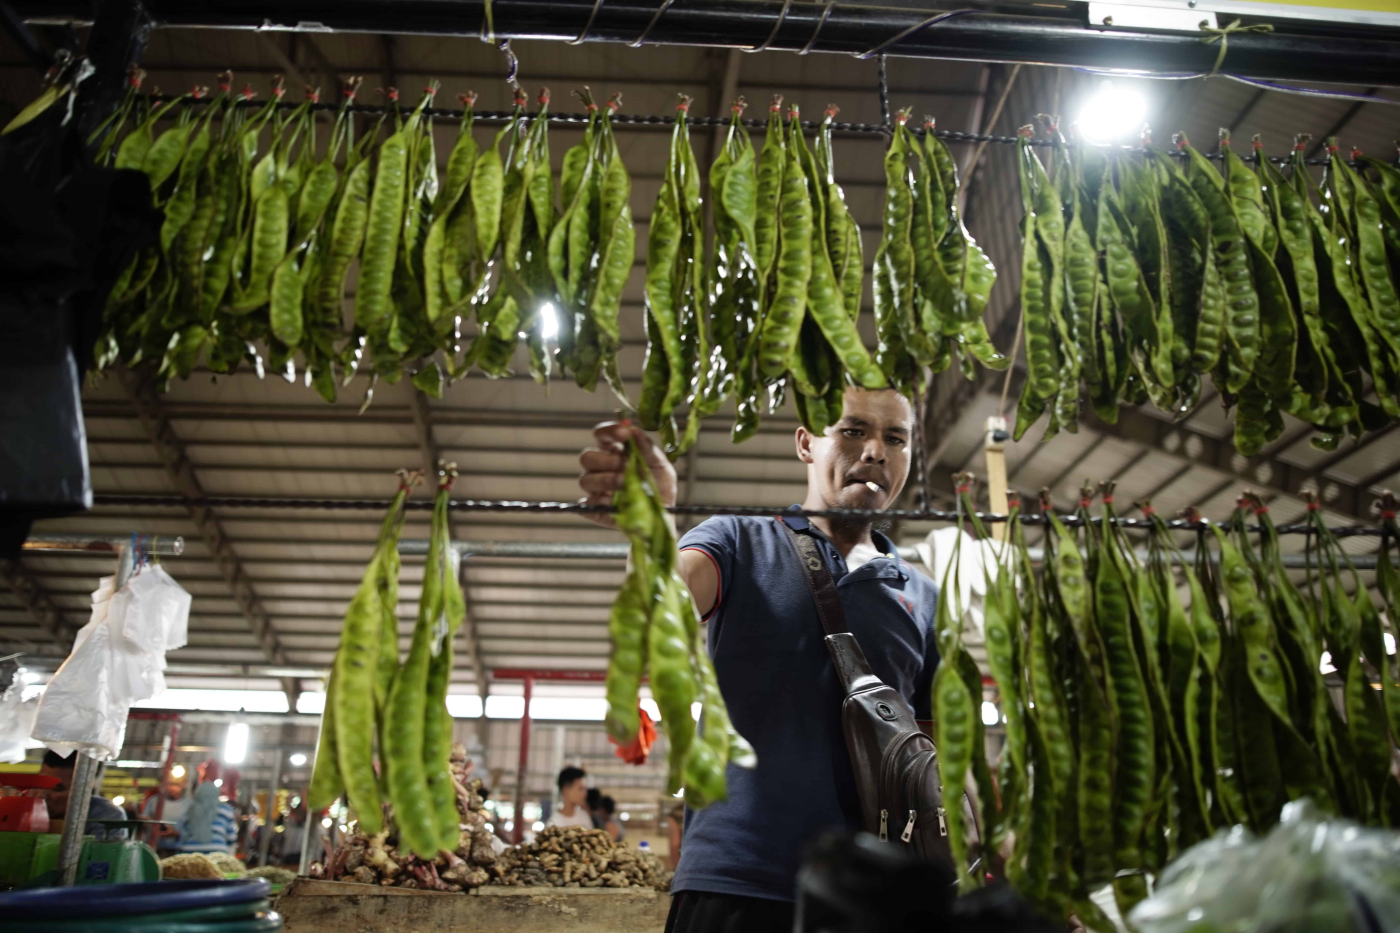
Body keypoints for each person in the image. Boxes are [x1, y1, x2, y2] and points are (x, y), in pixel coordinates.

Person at [577, 386, 939, 933]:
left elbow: (935, 761)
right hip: (736, 886)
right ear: (806, 444)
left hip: (872, 902)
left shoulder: (923, 597)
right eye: (852, 430)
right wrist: (651, 526)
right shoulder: (737, 541)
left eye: (895, 438)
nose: (875, 452)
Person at [38, 750, 128, 840]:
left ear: (85, 789)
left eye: (56, 789)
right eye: (38, 784)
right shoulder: (28, 806)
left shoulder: (106, 816)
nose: (41, 795)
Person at [176, 760, 239, 854]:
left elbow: (181, 832)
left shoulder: (189, 809)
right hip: (217, 854)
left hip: (189, 854)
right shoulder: (226, 810)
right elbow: (231, 839)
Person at [141, 770, 191, 855]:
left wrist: (176, 834)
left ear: (185, 784)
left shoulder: (190, 805)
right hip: (153, 850)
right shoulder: (154, 801)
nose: (172, 788)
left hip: (178, 851)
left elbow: (192, 832)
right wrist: (147, 822)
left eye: (177, 784)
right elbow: (143, 822)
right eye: (170, 784)